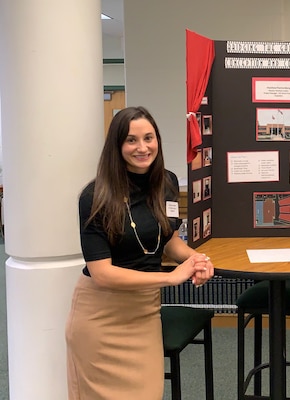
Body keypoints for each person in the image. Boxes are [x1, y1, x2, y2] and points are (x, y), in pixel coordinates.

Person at [66, 106, 214, 399]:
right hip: (100, 317)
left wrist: (195, 260)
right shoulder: (94, 197)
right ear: (117, 146)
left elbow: (168, 239)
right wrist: (171, 277)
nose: (142, 147)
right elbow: (102, 273)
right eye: (131, 140)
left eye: (149, 138)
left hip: (144, 313)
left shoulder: (167, 183)